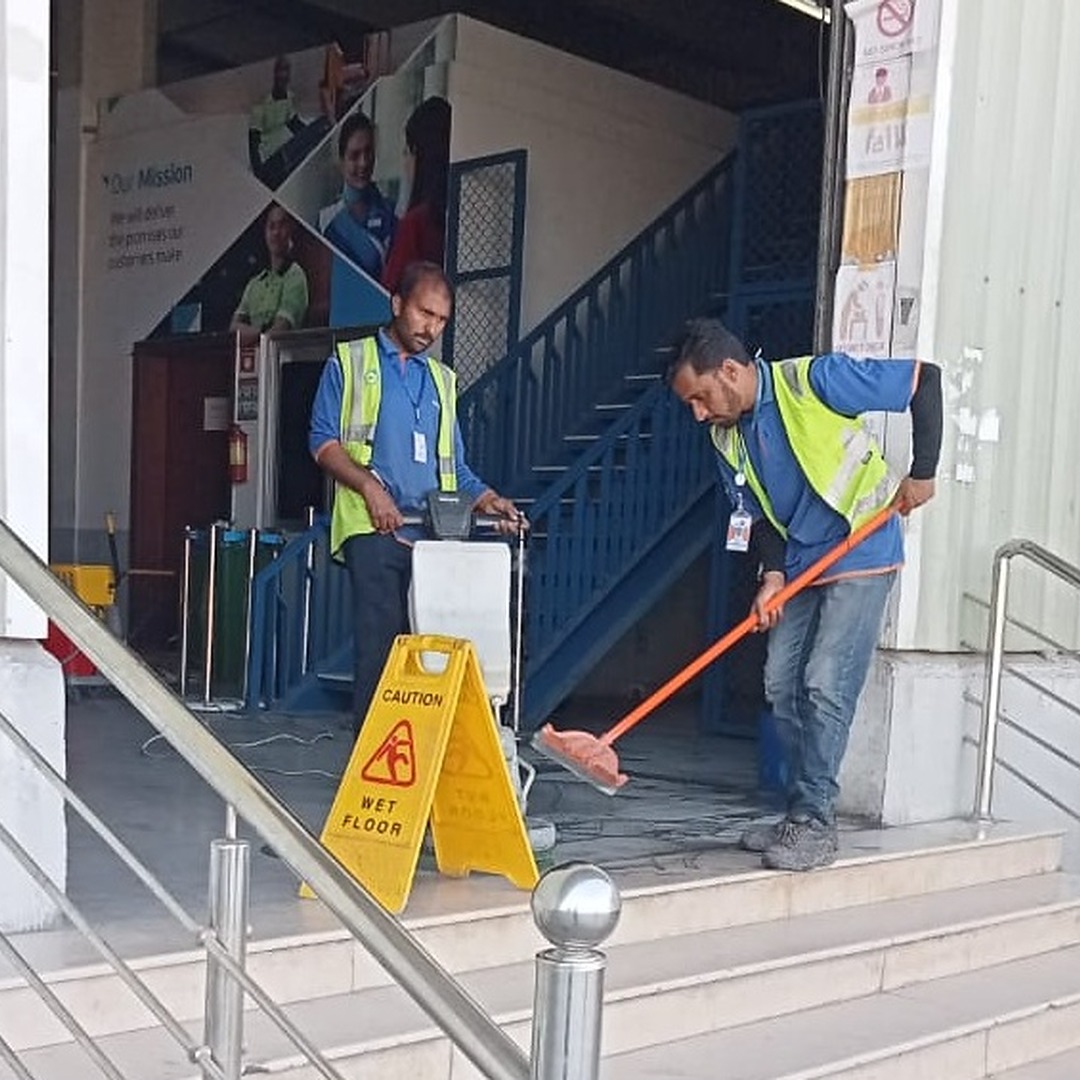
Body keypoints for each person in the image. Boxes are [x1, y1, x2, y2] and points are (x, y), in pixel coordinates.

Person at [668, 319, 942, 871]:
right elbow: (756, 513)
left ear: (729, 371)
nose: (698, 413)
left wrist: (924, 471)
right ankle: (800, 811)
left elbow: (924, 380)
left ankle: (816, 823)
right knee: (779, 685)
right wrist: (771, 576)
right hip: (799, 565)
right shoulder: (726, 437)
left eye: (700, 397)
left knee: (824, 684)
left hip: (860, 548)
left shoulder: (814, 381)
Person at [309, 261, 523, 734]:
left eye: (442, 320)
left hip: (433, 539)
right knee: (381, 652)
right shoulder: (350, 361)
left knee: (433, 655)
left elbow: (455, 468)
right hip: (373, 529)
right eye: (424, 314)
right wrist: (369, 488)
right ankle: (374, 765)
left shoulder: (443, 381)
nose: (432, 328)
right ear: (397, 304)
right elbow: (323, 442)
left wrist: (489, 499)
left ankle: (421, 762)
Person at [382, 96, 451, 295]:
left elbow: (391, 289)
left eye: (407, 152)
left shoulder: (417, 223)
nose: (405, 161)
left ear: (418, 153)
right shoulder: (458, 212)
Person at [318, 111, 396, 280]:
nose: (364, 163)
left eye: (368, 152)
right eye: (354, 156)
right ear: (341, 160)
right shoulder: (325, 220)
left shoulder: (391, 212)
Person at [229, 205, 309, 344]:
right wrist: (261, 331)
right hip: (251, 358)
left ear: (291, 230)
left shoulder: (295, 276)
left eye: (281, 225)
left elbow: (280, 331)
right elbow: (234, 329)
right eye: (271, 226)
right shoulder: (254, 283)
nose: (276, 232)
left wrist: (250, 333)